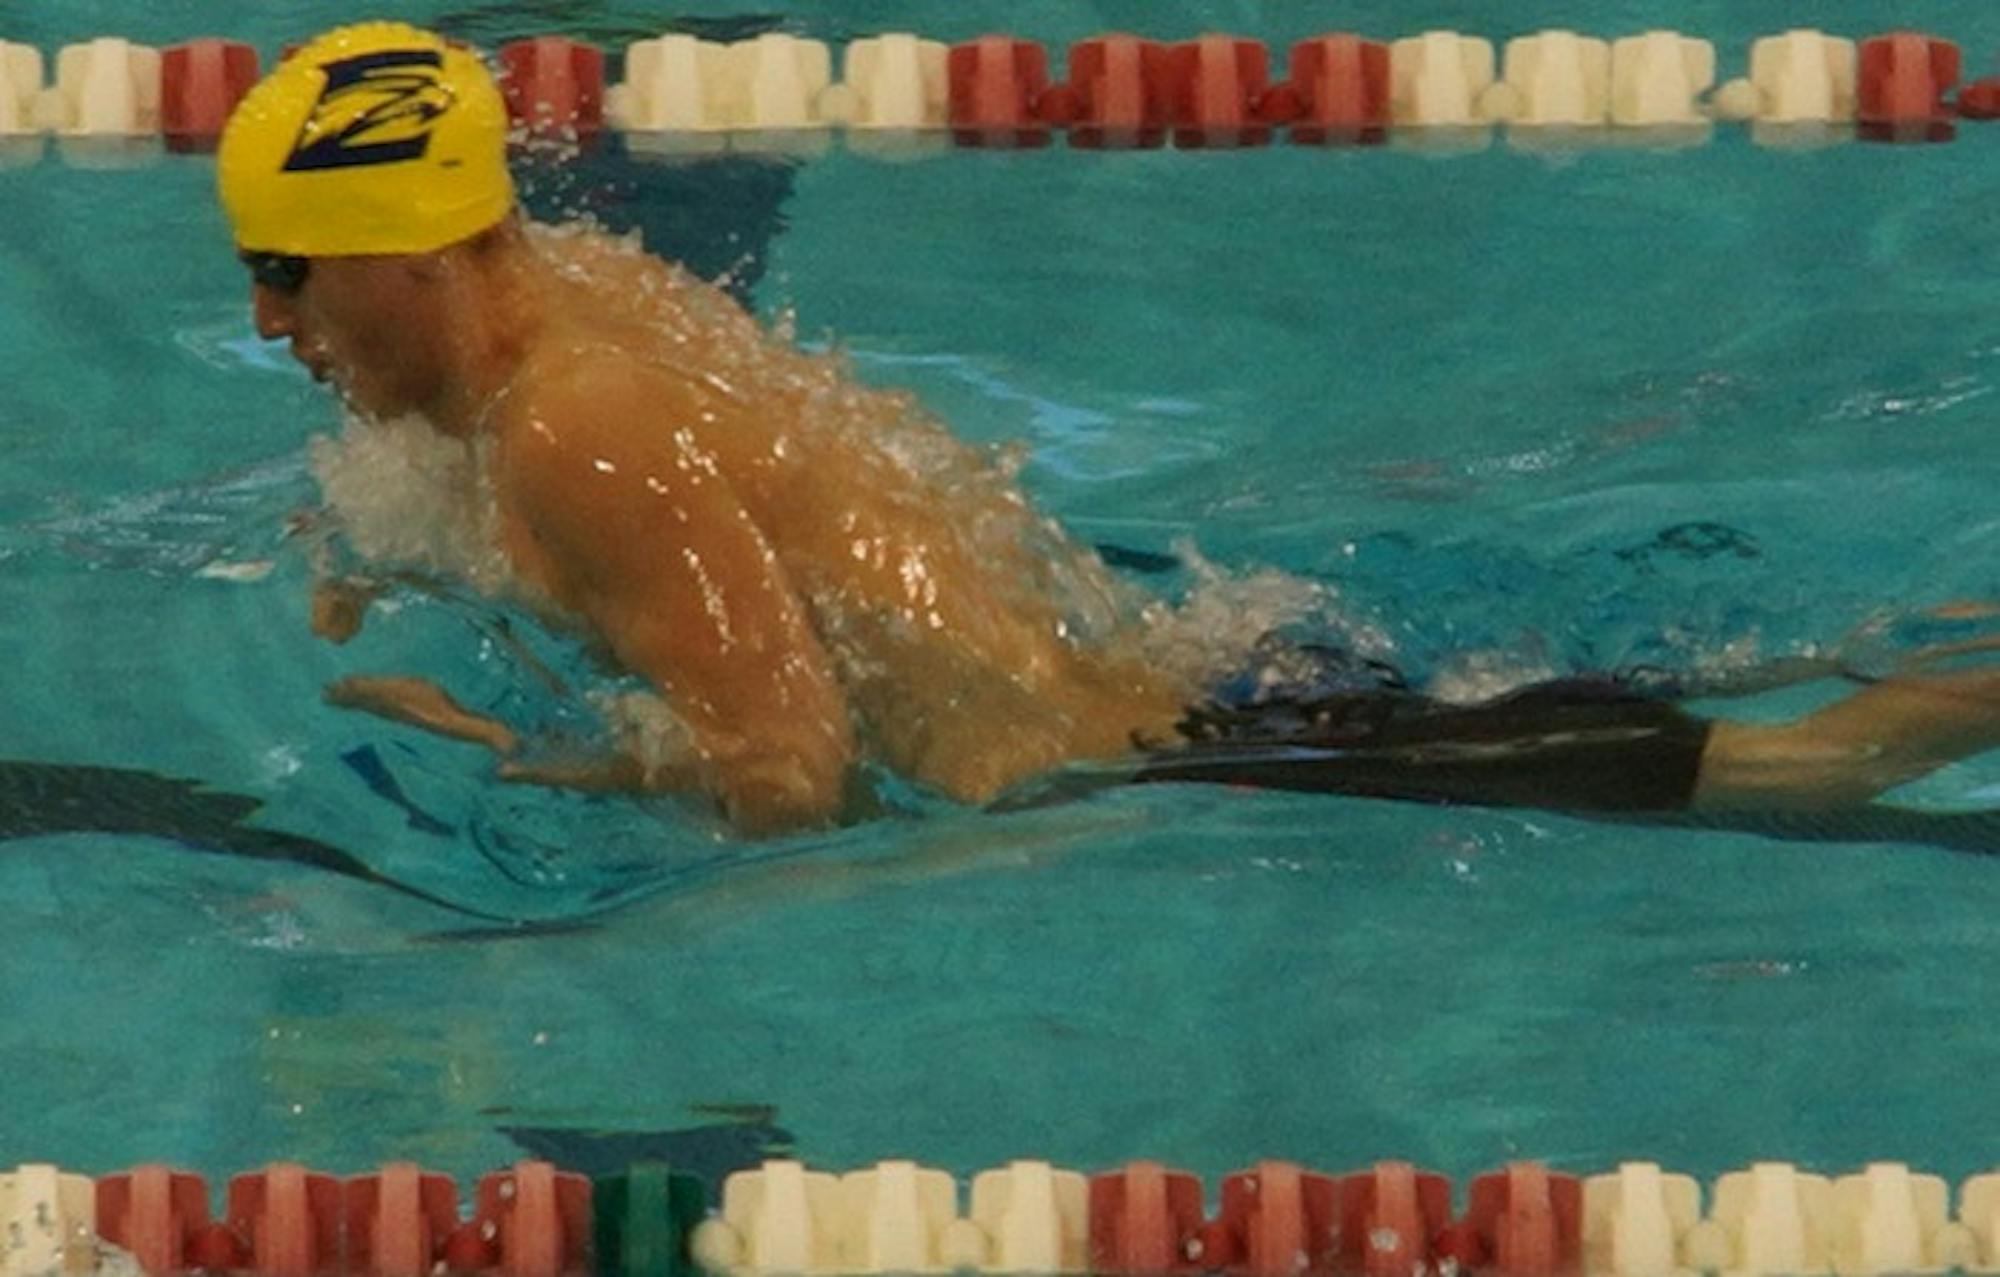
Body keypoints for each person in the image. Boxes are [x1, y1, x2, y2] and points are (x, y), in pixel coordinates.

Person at [218, 23, 2000, 838]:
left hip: (1147, 765)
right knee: (1734, 674)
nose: (265, 320)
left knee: (1809, 772)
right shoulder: (562, 280)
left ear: (421, 249)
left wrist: (525, 745)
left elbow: (792, 777)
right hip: (1195, 656)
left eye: (292, 273)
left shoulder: (573, 433)